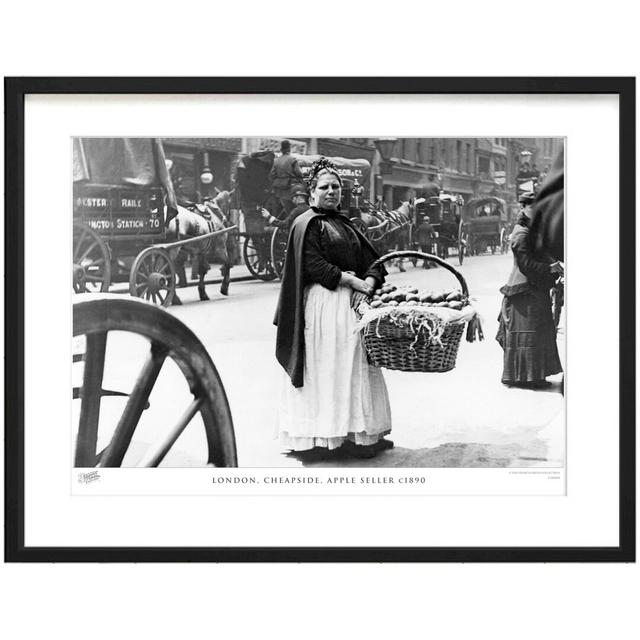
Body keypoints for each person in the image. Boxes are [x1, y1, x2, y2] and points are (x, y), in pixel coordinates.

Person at [273, 158, 393, 458]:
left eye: (336, 187)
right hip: (323, 306)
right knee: (326, 368)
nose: (331, 192)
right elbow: (313, 265)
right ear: (311, 192)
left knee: (353, 368)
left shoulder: (345, 223)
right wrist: (352, 280)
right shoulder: (307, 223)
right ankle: (319, 439)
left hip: (352, 307)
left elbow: (374, 262)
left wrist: (368, 282)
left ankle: (358, 436)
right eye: (324, 187)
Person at [496, 191, 563, 388]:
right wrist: (550, 268)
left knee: (540, 331)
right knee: (531, 333)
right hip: (523, 291)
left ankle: (534, 376)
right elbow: (526, 264)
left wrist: (554, 263)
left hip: (535, 288)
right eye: (533, 207)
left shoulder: (532, 230)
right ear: (524, 208)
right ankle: (527, 378)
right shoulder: (520, 233)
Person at [269, 140, 304, 217]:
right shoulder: (292, 159)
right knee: (297, 210)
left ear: (281, 150)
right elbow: (299, 173)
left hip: (280, 191)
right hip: (291, 188)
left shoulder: (276, 161)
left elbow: (272, 175)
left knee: (288, 209)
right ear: (289, 149)